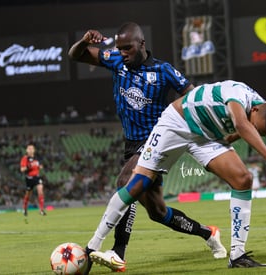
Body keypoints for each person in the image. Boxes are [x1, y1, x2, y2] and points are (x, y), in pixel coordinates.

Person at [68, 22, 226, 274]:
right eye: (119, 48)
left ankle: (116, 252)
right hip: (131, 145)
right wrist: (85, 41)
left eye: (128, 47)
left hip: (158, 140)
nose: (123, 52)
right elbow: (75, 55)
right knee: (157, 212)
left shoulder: (164, 71)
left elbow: (193, 96)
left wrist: (205, 128)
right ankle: (208, 233)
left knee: (124, 182)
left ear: (142, 44)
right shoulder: (115, 60)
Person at [87, 80, 266, 269]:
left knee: (243, 179)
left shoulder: (262, 110)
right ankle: (92, 247)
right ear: (254, 109)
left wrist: (224, 145)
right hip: (176, 123)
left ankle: (237, 255)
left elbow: (241, 129)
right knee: (138, 183)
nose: (255, 130)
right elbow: (241, 124)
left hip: (206, 136)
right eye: (255, 127)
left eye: (259, 132)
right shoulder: (238, 94)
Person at [20, 143, 46, 216]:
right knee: (28, 194)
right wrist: (28, 166)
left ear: (34, 150)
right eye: (29, 149)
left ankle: (41, 210)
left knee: (40, 190)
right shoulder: (25, 158)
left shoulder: (37, 158)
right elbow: (22, 169)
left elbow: (40, 166)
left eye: (32, 149)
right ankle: (25, 208)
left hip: (36, 177)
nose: (31, 150)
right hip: (29, 178)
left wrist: (40, 167)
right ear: (26, 150)